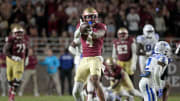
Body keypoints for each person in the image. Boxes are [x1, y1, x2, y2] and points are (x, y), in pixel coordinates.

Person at [72, 7, 107, 101]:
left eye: (93, 16)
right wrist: (80, 28)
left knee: (95, 81)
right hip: (84, 59)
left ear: (97, 17)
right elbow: (75, 36)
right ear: (84, 18)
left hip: (96, 58)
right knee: (75, 91)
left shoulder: (101, 25)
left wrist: (91, 32)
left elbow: (99, 34)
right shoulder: (81, 25)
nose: (91, 19)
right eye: (88, 17)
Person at [3, 25, 29, 101]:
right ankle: (11, 89)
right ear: (14, 33)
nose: (19, 34)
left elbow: (26, 49)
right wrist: (12, 57)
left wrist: (26, 58)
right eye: (17, 33)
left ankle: (12, 95)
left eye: (20, 33)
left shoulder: (25, 40)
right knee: (9, 78)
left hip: (20, 60)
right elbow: (5, 50)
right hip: (10, 60)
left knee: (18, 77)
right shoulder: (11, 40)